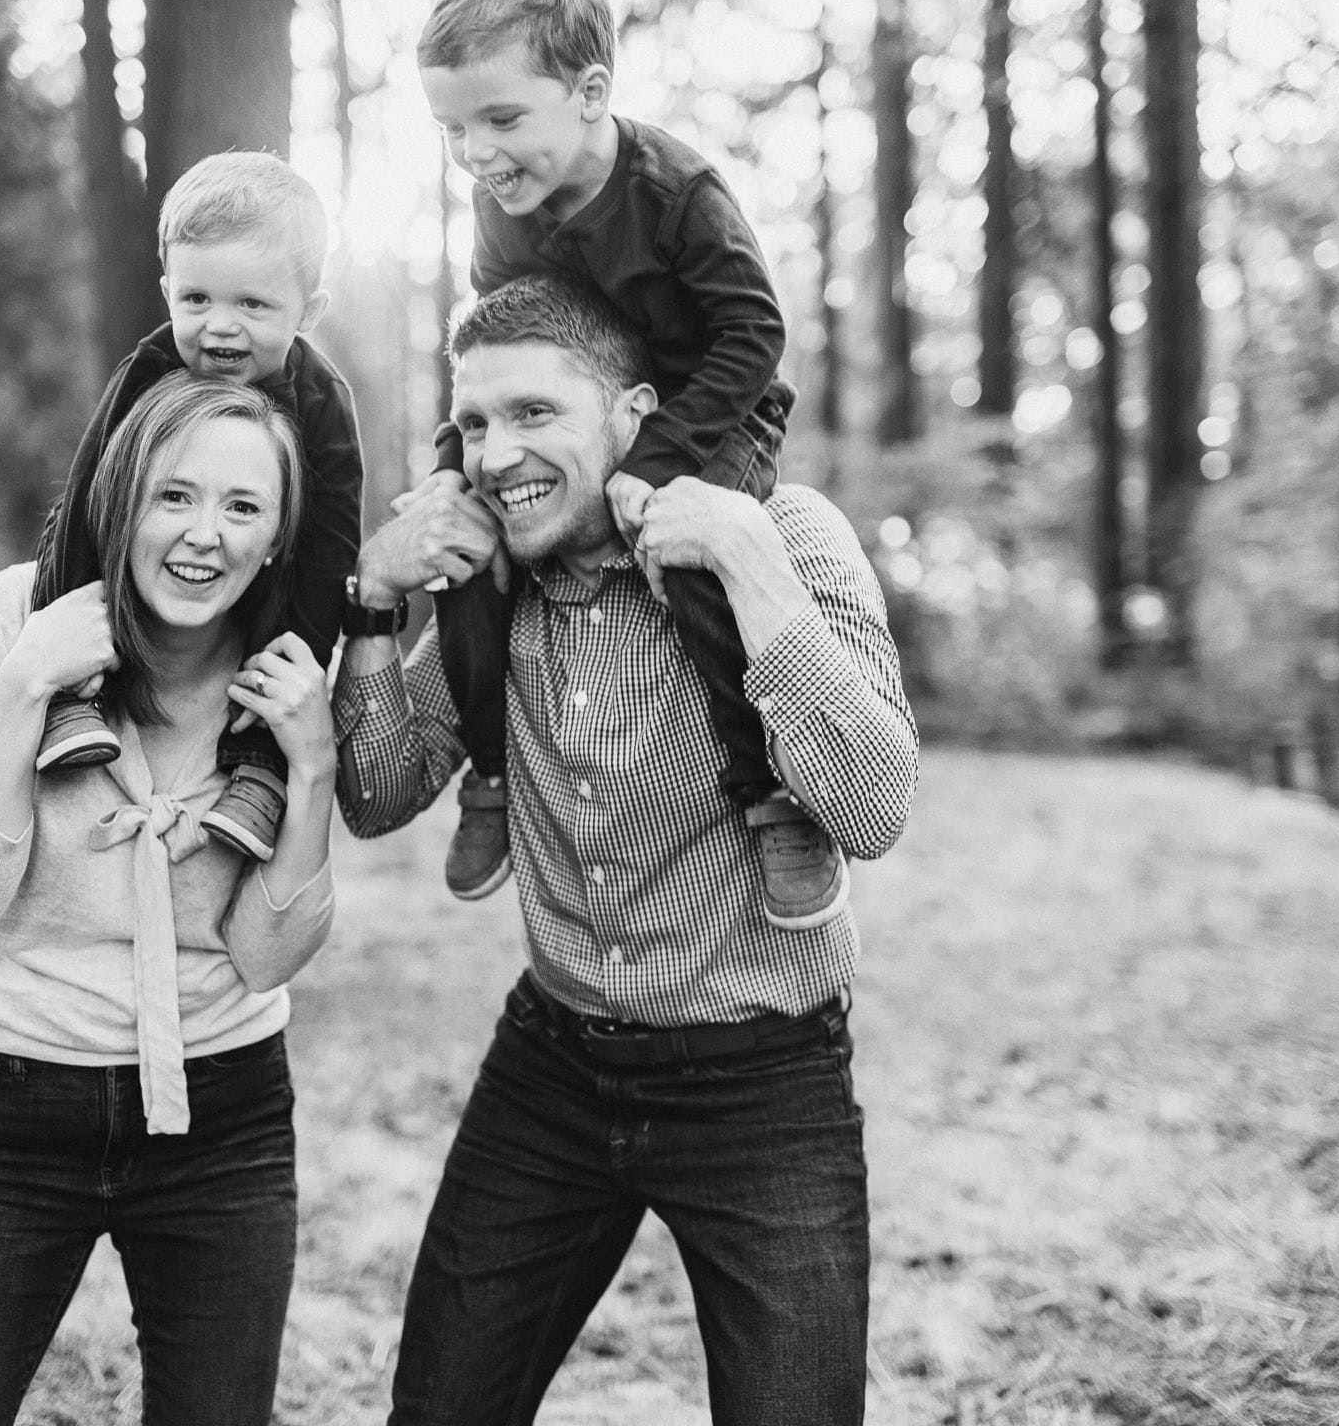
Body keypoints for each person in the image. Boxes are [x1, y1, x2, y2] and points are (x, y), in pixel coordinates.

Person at [333, 275, 917, 1426]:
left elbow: (872, 807)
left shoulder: (787, 533)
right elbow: (375, 792)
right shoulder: (492, 586)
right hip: (550, 1072)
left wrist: (746, 565)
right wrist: (371, 601)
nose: (495, 455)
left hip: (763, 1084)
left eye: (533, 413)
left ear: (632, 414)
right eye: (474, 423)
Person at [0, 373, 339, 1426]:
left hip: (221, 1117)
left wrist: (311, 767)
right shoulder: (11, 615)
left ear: (277, 539)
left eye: (242, 506)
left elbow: (267, 955)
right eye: (174, 495)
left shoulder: (288, 673)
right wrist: (25, 687)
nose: (204, 535)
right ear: (119, 499)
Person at [412, 0, 842, 926]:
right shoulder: (500, 207)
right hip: (582, 420)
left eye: (501, 119)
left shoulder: (676, 195)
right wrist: (448, 468)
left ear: (590, 93)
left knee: (685, 551)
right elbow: (495, 344)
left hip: (712, 415)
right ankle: (491, 772)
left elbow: (754, 334)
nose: (476, 153)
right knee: (466, 543)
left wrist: (656, 463)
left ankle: (768, 792)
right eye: (453, 129)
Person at [31, 151, 362, 867]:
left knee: (299, 580)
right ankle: (72, 702)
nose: (221, 328)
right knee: (69, 517)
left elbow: (332, 542)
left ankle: (259, 767)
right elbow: (90, 491)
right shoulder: (150, 367)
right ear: (168, 292)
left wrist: (300, 663)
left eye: (253, 305)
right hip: (134, 558)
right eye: (197, 300)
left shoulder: (323, 402)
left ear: (308, 311)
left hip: (267, 565)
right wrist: (60, 622)